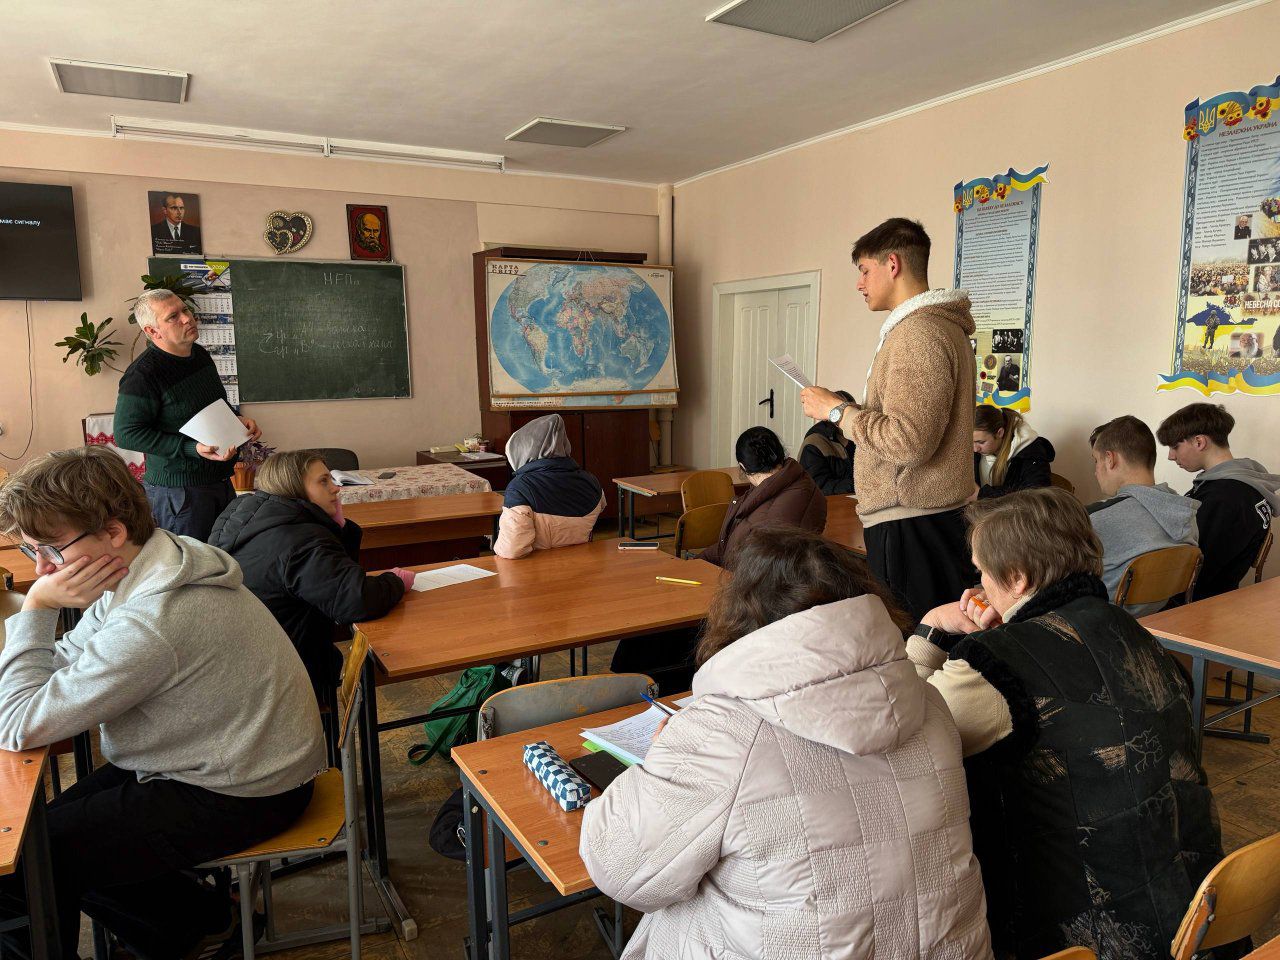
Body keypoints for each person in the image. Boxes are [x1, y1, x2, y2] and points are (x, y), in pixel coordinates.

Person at [581, 527, 993, 960]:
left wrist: (664, 757)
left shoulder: (721, 733)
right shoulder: (930, 703)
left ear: (741, 614)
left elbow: (619, 869)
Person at [0, 446, 325, 957]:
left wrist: (37, 607)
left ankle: (197, 926)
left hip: (245, 790)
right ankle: (202, 923)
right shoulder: (152, 559)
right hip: (213, 760)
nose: (42, 568)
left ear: (113, 531)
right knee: (34, 838)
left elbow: (20, 723)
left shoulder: (153, 619)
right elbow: (67, 656)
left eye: (51, 549)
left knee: (28, 862)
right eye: (31, 551)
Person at [912, 488, 1223, 960]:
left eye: (981, 571)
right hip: (1191, 906)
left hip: (1080, 930)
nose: (979, 584)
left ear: (1017, 578)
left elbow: (903, 735)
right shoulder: (1136, 631)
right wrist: (1012, 631)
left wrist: (932, 629)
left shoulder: (992, 666)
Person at [800, 217, 977, 620]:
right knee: (936, 637)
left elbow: (908, 441)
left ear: (892, 264)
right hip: (924, 517)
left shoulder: (918, 334)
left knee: (916, 642)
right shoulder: (936, 328)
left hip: (912, 522)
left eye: (864, 270)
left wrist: (836, 412)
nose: (859, 284)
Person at [209, 450, 413, 700]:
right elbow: (356, 600)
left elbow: (334, 580)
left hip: (238, 662)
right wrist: (395, 581)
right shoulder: (301, 539)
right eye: (323, 481)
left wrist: (339, 529)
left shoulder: (245, 513)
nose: (336, 488)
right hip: (286, 674)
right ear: (294, 487)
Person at [114, 288, 259, 542]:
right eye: (173, 317)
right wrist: (191, 448)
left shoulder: (199, 354)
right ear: (152, 331)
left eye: (185, 309)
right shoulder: (142, 375)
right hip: (179, 493)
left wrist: (237, 420)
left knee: (225, 556)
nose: (187, 318)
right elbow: (126, 434)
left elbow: (215, 403)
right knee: (192, 564)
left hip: (219, 479)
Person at [1157, 403, 1279, 600]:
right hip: (1216, 595)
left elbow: (1194, 569)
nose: (1171, 456)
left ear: (1199, 442)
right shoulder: (1243, 484)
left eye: (1175, 446)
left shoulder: (1225, 497)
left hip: (1199, 604)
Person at [1086, 415, 1199, 615]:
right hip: (1161, 620)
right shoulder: (1186, 511)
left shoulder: (1092, 518)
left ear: (1110, 459)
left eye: (1096, 460)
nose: (1095, 472)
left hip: (1103, 624)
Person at [699, 426, 826, 568]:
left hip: (750, 578)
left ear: (743, 466)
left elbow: (742, 562)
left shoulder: (765, 514)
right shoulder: (803, 481)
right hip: (794, 572)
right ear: (780, 453)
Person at [493, 414, 605, 559]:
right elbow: (601, 507)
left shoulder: (519, 488)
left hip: (536, 569)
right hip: (586, 565)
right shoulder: (591, 481)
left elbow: (512, 549)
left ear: (522, 451)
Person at [972, 406, 1054, 499]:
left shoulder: (1032, 453)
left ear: (1000, 433)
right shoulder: (973, 450)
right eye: (971, 442)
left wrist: (981, 494)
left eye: (981, 442)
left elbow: (1036, 498)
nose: (975, 449)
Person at [799, 389, 856, 494]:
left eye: (852, 412)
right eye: (844, 411)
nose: (852, 418)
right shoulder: (814, 443)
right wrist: (860, 485)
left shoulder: (857, 437)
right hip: (831, 502)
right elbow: (818, 488)